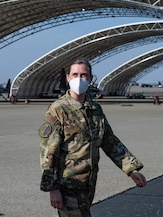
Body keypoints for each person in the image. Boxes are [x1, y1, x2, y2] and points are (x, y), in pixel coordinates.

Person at [39, 58, 147, 217]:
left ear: (90, 79)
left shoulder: (94, 109)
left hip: (88, 184)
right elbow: (48, 152)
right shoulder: (58, 109)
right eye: (75, 74)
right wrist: (52, 188)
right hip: (68, 185)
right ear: (68, 77)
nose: (79, 78)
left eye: (83, 75)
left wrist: (131, 170)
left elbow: (110, 142)